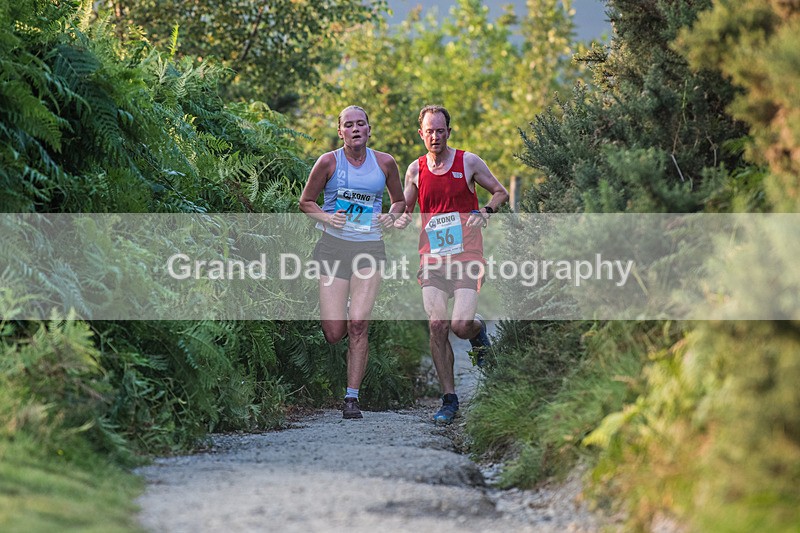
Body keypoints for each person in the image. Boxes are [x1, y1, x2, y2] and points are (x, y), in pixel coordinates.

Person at [396, 105, 509, 424]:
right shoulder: (415, 170)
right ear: (421, 134)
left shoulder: (468, 162)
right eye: (429, 131)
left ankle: (478, 329)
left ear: (449, 131)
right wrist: (399, 219)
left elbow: (500, 192)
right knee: (436, 324)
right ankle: (449, 399)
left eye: (440, 130)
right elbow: (404, 208)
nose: (435, 136)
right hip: (431, 258)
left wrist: (485, 212)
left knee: (461, 325)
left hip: (466, 255)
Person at [299, 105, 405, 420]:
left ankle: (351, 398)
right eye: (349, 124)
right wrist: (328, 218)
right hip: (333, 247)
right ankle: (346, 311)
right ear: (341, 131)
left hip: (370, 247)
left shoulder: (385, 163)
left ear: (369, 129)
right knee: (334, 332)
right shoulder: (328, 162)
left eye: (361, 123)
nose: (356, 129)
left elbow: (399, 201)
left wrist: (391, 216)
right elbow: (305, 202)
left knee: (359, 324)